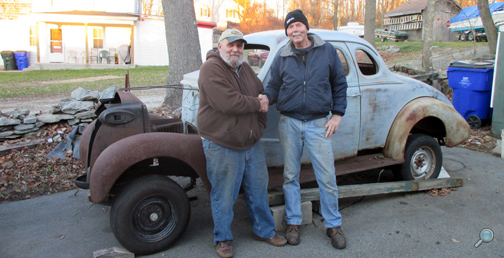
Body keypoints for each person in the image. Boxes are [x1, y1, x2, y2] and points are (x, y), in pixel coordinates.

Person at [260, 9, 348, 249]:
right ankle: (294, 222)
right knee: (290, 176)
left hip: (319, 124)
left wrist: (337, 115)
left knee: (326, 177)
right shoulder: (283, 55)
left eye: (298, 25)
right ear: (287, 32)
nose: (295, 30)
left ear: (306, 28)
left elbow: (339, 84)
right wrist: (267, 97)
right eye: (290, 27)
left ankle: (333, 224)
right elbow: (274, 85)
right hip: (289, 123)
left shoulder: (327, 51)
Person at [197, 28, 287, 258]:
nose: (236, 49)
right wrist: (257, 105)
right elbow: (229, 103)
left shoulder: (244, 68)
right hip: (222, 143)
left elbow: (262, 97)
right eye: (231, 44)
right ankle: (223, 239)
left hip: (251, 142)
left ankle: (265, 230)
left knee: (258, 190)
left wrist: (258, 128)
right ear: (220, 46)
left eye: (240, 45)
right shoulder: (211, 69)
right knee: (224, 194)